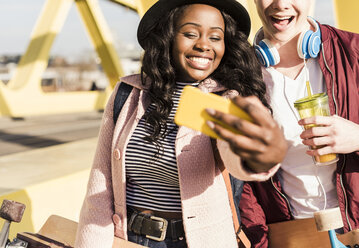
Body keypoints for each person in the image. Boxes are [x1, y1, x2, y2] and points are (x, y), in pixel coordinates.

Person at [74, 0, 288, 247]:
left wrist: (259, 154)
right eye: (190, 34)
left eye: (216, 37)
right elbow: (99, 186)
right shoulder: (128, 94)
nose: (204, 45)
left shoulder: (226, 100)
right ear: (168, 37)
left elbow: (237, 161)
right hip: (128, 240)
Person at [206, 0, 359, 247]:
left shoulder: (354, 52)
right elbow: (241, 186)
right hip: (291, 237)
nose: (280, 4)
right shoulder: (235, 77)